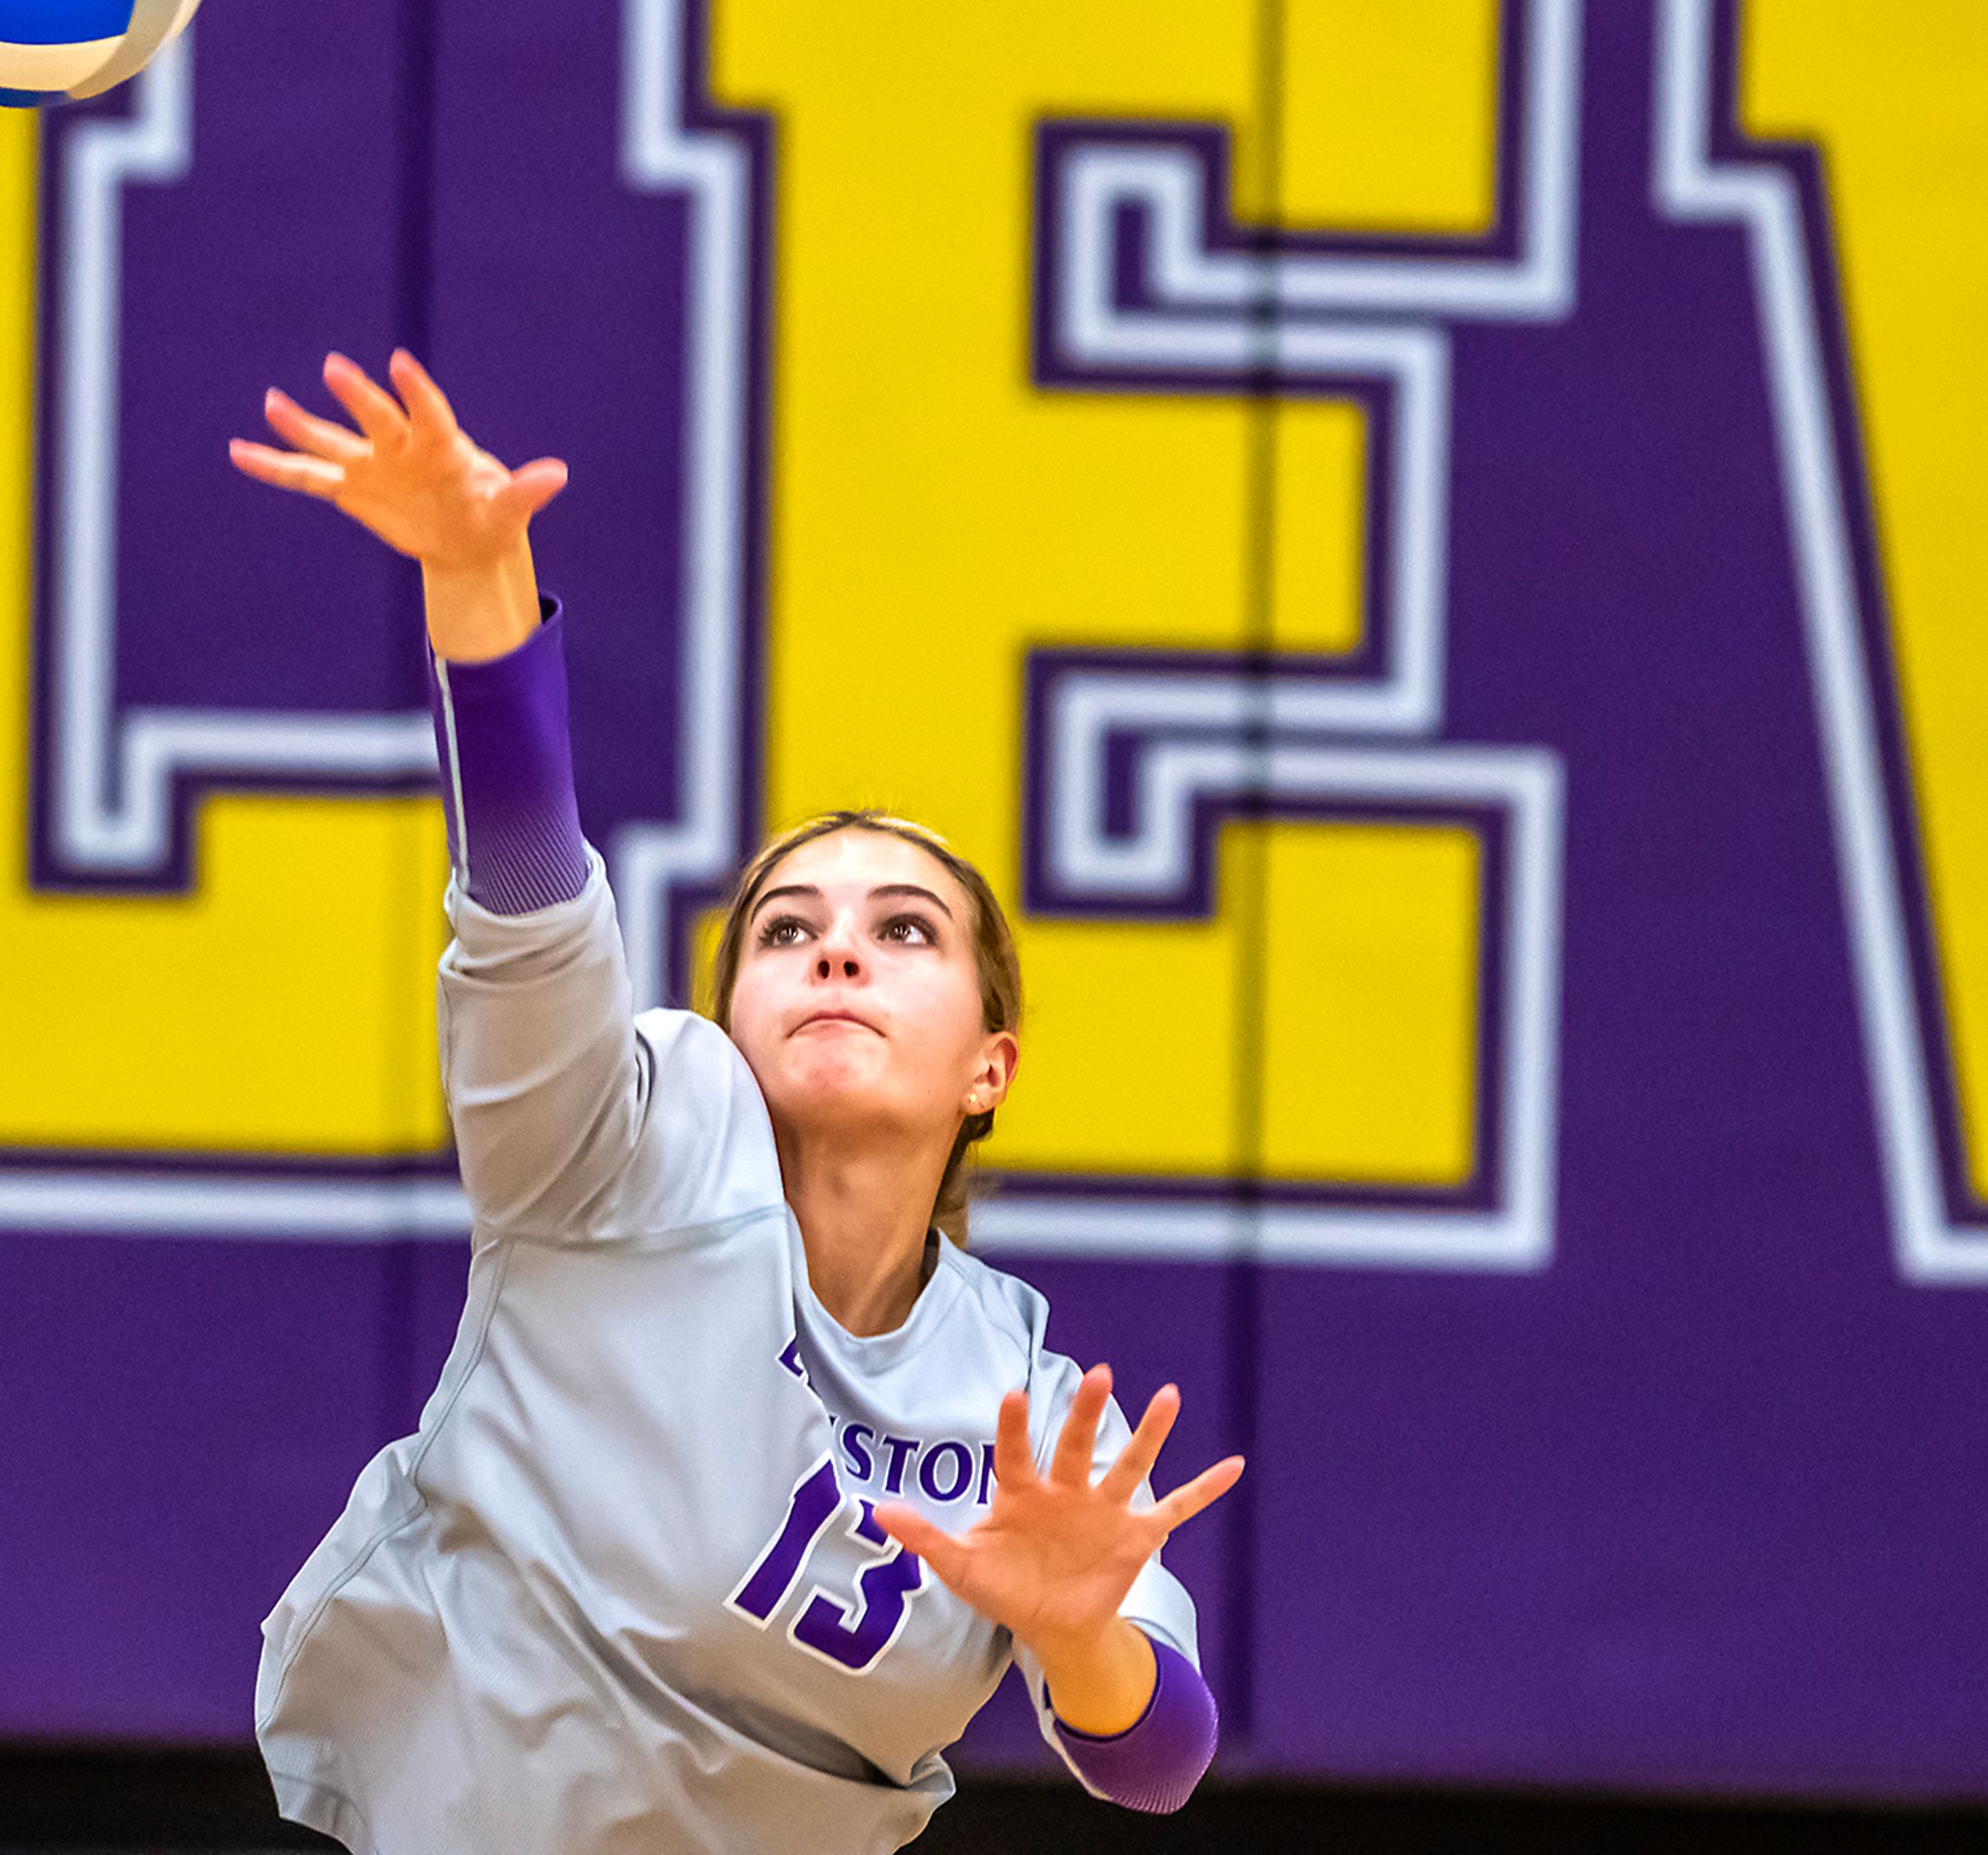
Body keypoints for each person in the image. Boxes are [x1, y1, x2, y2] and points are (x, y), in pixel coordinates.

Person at [234, 350, 1244, 1851]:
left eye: (907, 928)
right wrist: (480, 581)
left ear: (991, 1064)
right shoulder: (619, 1148)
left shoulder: (1015, 1400)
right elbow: (525, 894)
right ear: (729, 1015)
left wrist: (1081, 1628)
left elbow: (1157, 1760)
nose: (839, 940)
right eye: (788, 927)